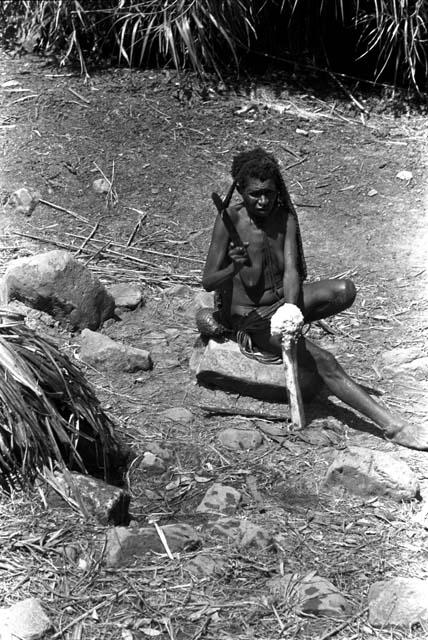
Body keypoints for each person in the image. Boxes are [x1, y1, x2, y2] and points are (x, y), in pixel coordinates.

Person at [202, 147, 428, 450]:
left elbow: (292, 271)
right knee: (325, 360)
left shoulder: (284, 218)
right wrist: (233, 266)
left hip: (281, 305)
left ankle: (295, 338)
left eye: (269, 193)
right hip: (251, 318)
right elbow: (207, 282)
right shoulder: (229, 220)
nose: (263, 200)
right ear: (241, 190)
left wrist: (292, 311)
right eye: (255, 194)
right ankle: (394, 427)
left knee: (343, 290)